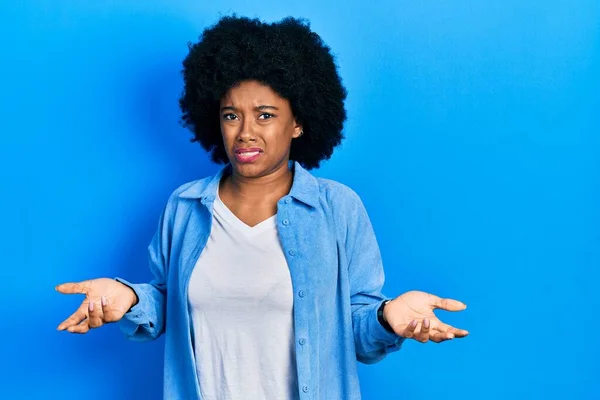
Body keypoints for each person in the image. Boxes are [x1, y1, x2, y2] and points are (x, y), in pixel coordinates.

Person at [56, 15, 469, 400]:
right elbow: (169, 302)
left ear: (298, 122)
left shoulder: (338, 209)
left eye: (265, 115)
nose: (246, 133)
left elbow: (355, 334)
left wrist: (386, 316)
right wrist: (128, 297)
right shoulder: (184, 207)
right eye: (231, 115)